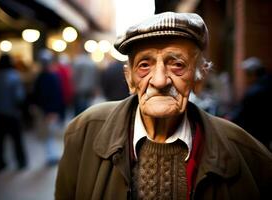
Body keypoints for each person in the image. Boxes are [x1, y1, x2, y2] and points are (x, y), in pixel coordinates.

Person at [55, 12, 272, 199]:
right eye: (144, 65)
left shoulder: (245, 151)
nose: (159, 80)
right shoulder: (84, 131)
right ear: (129, 78)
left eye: (177, 65)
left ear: (199, 76)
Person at [0, 54, 27, 171]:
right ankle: (21, 162)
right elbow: (19, 97)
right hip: (12, 113)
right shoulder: (14, 76)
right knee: (17, 140)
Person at [228, 57, 272, 150]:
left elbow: (242, 111)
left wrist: (228, 119)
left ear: (253, 73)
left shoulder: (255, 91)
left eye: (247, 74)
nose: (246, 77)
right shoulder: (267, 82)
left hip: (257, 131)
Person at [33, 49, 64, 166]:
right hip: (47, 110)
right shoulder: (45, 76)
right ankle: (51, 155)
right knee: (48, 134)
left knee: (50, 134)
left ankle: (52, 155)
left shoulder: (49, 76)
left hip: (49, 110)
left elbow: (56, 94)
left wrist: (54, 111)